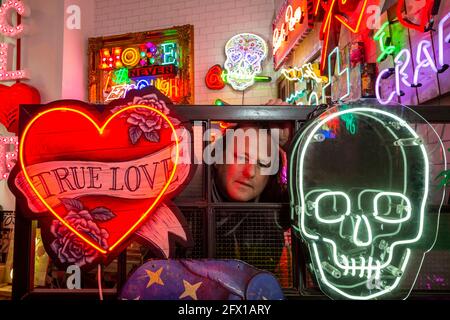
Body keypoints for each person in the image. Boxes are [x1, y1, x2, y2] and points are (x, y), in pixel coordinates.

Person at [211, 120, 291, 275]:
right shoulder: (187, 205)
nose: (250, 172)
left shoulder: (274, 209)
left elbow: (321, 196)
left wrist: (292, 144)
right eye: (242, 158)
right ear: (217, 158)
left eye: (263, 164)